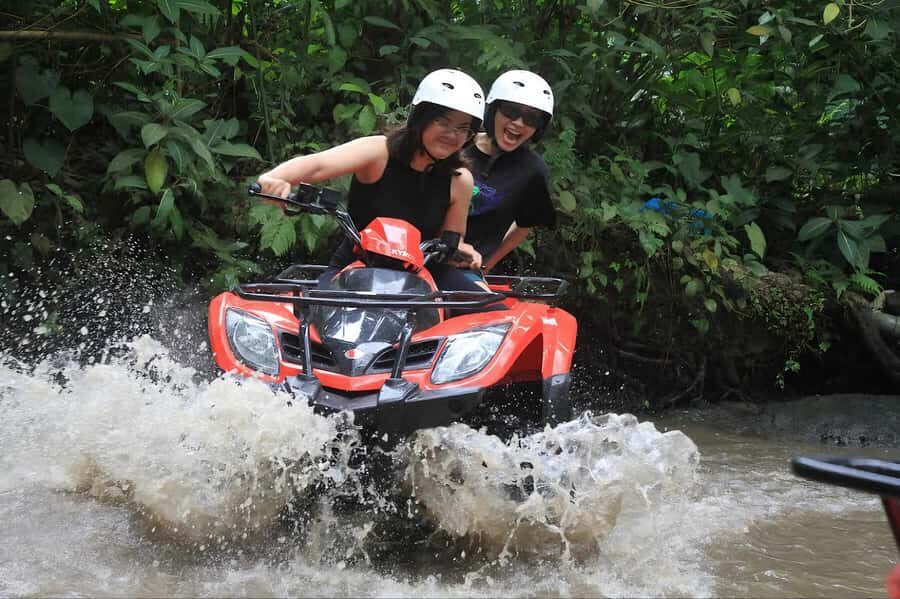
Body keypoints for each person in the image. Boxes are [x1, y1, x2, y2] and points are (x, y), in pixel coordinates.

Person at [256, 68, 486, 292]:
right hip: (358, 261)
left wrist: (462, 250)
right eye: (443, 122)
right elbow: (318, 165)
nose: (452, 134)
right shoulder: (379, 152)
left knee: (491, 315)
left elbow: (450, 239)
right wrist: (275, 179)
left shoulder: (460, 179)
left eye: (463, 128)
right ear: (421, 118)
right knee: (313, 316)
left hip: (425, 268)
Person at [460, 69, 557, 281]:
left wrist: (485, 266)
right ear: (492, 111)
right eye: (511, 111)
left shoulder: (532, 171)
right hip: (422, 251)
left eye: (531, 118)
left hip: (466, 269)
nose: (520, 122)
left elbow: (526, 223)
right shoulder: (458, 143)